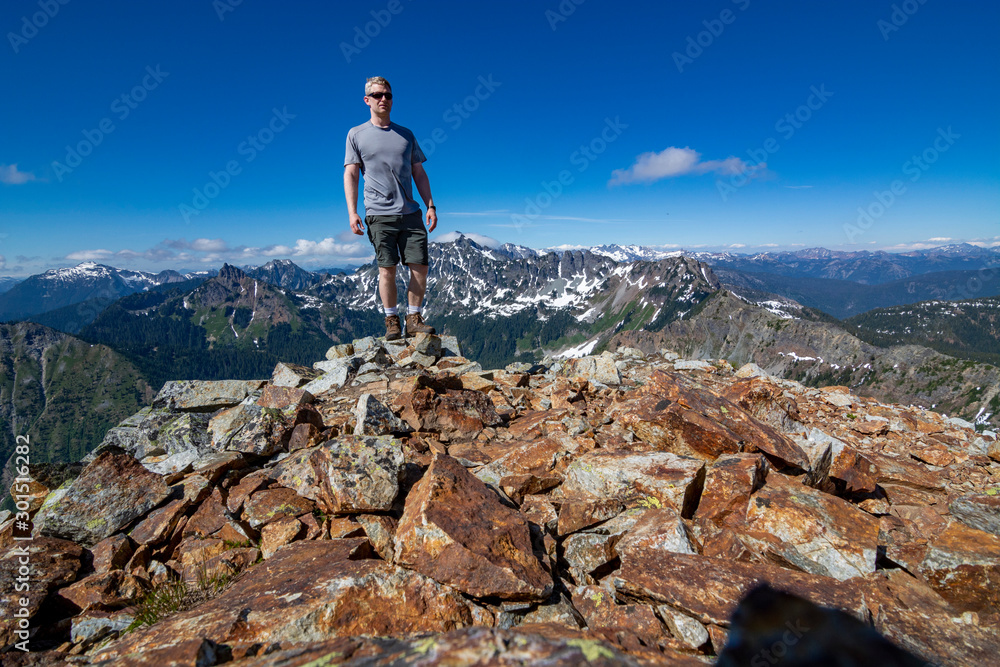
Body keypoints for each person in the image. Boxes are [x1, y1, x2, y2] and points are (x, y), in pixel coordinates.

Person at [344, 76, 437, 341]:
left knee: (419, 266)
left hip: (410, 212)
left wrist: (430, 204)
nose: (383, 99)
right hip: (378, 213)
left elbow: (419, 172)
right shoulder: (356, 134)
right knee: (388, 268)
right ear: (367, 100)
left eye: (387, 95)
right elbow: (350, 174)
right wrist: (352, 213)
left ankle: (414, 318)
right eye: (377, 95)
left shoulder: (406, 135)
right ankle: (391, 321)